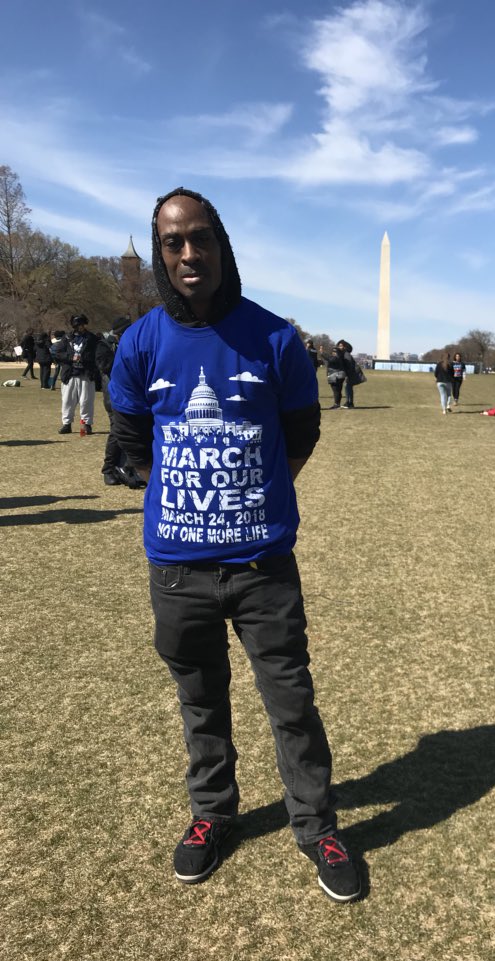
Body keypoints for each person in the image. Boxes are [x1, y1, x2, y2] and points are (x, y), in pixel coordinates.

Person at [109, 187, 361, 902]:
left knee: (291, 702)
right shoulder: (140, 343)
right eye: (172, 242)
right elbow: (130, 444)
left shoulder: (275, 337)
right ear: (161, 255)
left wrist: (253, 494)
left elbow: (302, 432)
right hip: (179, 569)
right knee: (200, 701)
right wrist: (189, 498)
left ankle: (315, 825)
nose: (188, 254)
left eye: (200, 238)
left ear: (221, 244)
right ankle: (212, 814)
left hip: (261, 566)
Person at [96, 316, 145, 487]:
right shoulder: (104, 346)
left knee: (133, 432)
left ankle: (127, 468)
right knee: (117, 432)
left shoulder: (133, 344)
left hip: (132, 395)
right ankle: (108, 469)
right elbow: (108, 367)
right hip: (113, 396)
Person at [57, 314, 98, 435]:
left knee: (86, 401)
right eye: (78, 325)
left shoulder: (92, 338)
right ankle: (67, 424)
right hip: (70, 374)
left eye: (82, 325)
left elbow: (97, 355)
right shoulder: (67, 338)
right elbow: (58, 353)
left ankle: (86, 424)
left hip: (86, 373)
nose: (81, 327)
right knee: (67, 401)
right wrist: (71, 357)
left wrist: (84, 358)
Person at [324, 340, 356, 409]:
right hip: (342, 374)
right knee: (345, 388)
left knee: (344, 388)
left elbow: (349, 365)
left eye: (341, 346)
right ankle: (348, 402)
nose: (340, 347)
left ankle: (349, 403)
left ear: (345, 347)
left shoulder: (345, 354)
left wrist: (348, 374)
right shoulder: (341, 354)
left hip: (343, 374)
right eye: (339, 346)